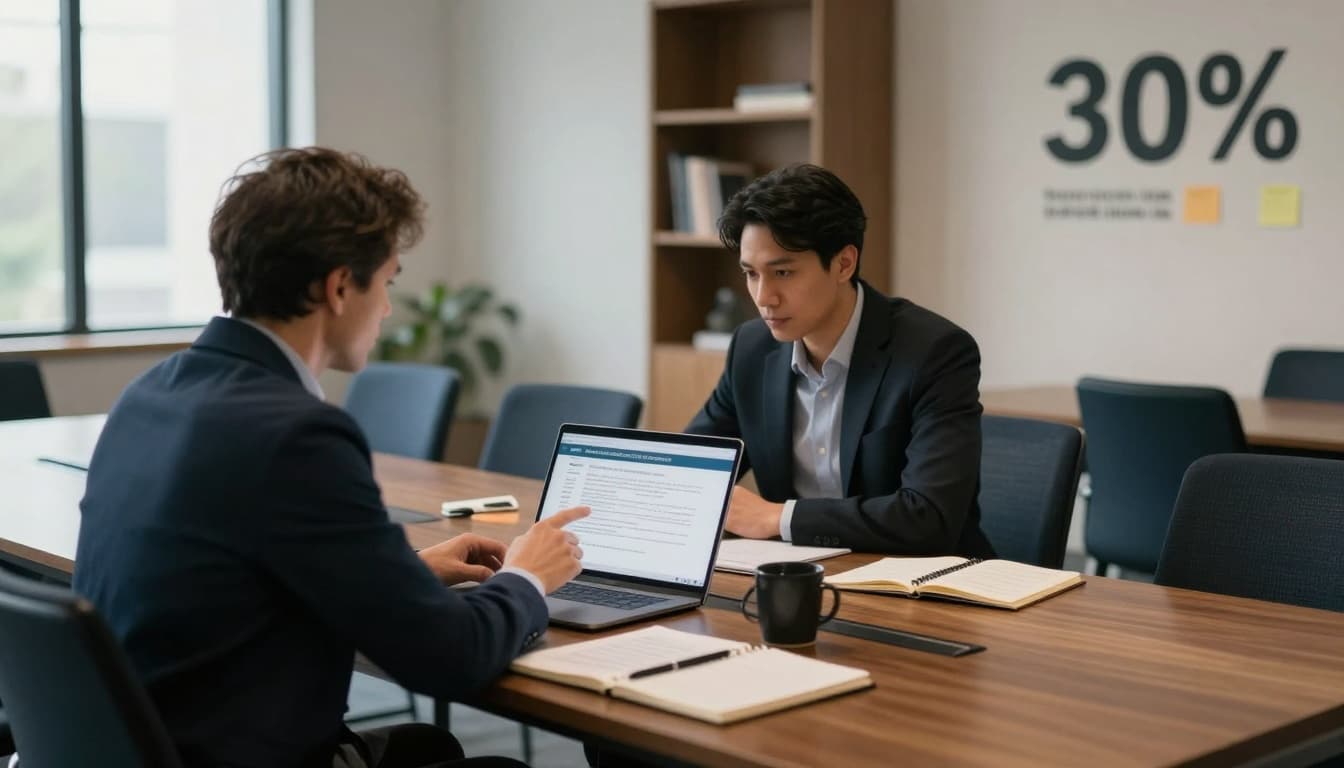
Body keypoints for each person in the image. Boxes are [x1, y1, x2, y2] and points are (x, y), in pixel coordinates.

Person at [73, 147, 588, 768]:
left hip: (147, 748)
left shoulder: (152, 392)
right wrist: (526, 577)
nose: (390, 309)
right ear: (340, 286)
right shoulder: (298, 436)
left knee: (429, 747)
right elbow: (450, 659)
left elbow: (239, 576)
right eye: (389, 281)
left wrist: (404, 571)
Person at [687, 164, 994, 557]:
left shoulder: (935, 352)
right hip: (798, 576)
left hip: (920, 586)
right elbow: (693, 467)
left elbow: (928, 517)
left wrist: (778, 518)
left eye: (782, 272)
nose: (764, 297)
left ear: (844, 264)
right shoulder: (752, 348)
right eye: (751, 274)